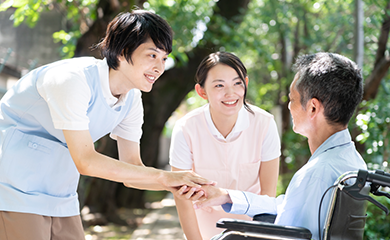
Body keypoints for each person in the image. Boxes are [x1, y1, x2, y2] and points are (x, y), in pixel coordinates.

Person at [0, 10, 212, 240]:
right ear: (122, 52)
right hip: (13, 187)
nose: (159, 67)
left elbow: (132, 171)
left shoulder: (131, 99)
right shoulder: (72, 79)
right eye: (152, 55)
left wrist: (177, 185)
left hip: (61, 193)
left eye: (164, 58)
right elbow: (86, 161)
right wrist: (165, 177)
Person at [190, 52, 368, 240]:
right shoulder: (350, 161)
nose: (289, 107)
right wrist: (227, 196)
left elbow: (292, 232)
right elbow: (287, 207)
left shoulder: (317, 174)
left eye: (292, 99)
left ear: (313, 108)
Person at [170, 52, 281, 239]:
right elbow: (182, 199)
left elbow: (267, 196)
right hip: (203, 228)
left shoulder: (264, 124)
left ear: (245, 84)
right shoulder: (185, 128)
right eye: (219, 85)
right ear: (202, 91)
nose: (231, 93)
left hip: (251, 228)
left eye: (237, 83)